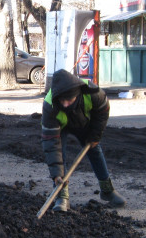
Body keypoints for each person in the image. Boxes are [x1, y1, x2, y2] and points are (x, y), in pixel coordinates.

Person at [41, 69, 126, 212]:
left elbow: (102, 112)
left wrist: (95, 135)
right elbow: (51, 144)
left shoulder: (92, 92)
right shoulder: (50, 105)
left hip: (83, 122)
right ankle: (62, 196)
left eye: (69, 100)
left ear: (77, 94)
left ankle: (107, 190)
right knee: (60, 155)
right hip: (60, 127)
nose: (66, 104)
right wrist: (56, 175)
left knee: (95, 150)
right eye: (62, 101)